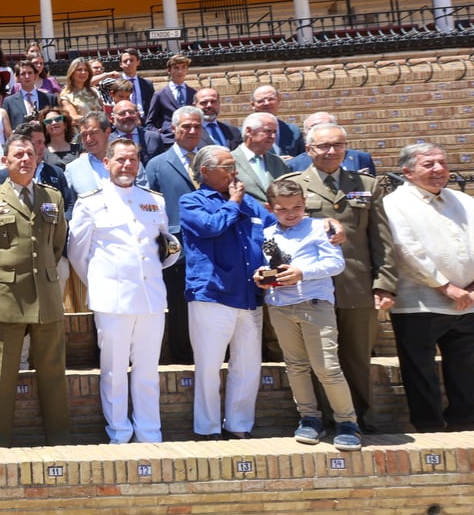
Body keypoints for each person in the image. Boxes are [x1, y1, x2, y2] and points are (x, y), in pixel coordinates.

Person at [278, 122, 395, 429]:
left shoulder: (367, 185)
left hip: (355, 286)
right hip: (311, 288)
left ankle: (359, 420)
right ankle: (322, 419)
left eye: (338, 145)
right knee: (316, 360)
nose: (331, 152)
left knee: (357, 359)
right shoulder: (292, 185)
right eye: (324, 146)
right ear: (309, 150)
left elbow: (381, 239)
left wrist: (384, 283)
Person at [68, 138, 180, 444]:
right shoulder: (90, 201)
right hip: (112, 300)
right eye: (120, 160)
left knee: (147, 371)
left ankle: (149, 433)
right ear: (106, 163)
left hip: (151, 298)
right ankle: (119, 432)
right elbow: (78, 254)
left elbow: (166, 246)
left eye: (133, 160)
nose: (127, 165)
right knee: (115, 372)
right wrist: (102, 286)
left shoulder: (153, 200)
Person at [0, 134, 71, 446]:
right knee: (3, 374)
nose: (25, 159)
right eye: (18, 155)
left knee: (53, 371)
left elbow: (57, 244)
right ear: (5, 161)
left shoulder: (51, 197)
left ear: (37, 158)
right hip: (6, 296)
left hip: (46, 294)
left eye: (30, 153)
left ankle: (59, 438)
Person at [383, 142, 474, 432]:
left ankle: (463, 424)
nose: (438, 169)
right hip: (419, 303)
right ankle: (429, 426)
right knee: (420, 370)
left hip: (468, 299)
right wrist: (445, 286)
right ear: (407, 171)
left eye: (442, 162)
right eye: (428, 164)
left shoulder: (464, 200)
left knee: (466, 368)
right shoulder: (395, 203)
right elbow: (407, 250)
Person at [257, 180, 361, 450]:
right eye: (283, 209)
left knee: (327, 367)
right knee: (296, 366)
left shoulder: (319, 228)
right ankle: (309, 418)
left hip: (315, 305)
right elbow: (266, 264)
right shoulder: (267, 233)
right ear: (270, 208)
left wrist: (303, 273)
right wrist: (260, 276)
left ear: (305, 204)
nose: (291, 213)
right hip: (279, 306)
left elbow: (336, 263)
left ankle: (347, 422)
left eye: (298, 207)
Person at [180, 145, 269, 439]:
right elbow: (210, 227)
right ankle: (207, 429)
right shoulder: (191, 201)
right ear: (205, 171)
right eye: (227, 167)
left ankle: (239, 425)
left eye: (235, 167)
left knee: (248, 366)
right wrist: (233, 203)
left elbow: (274, 231)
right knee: (209, 366)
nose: (235, 173)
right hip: (213, 293)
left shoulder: (251, 204)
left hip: (249, 294)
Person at [143, 106, 207, 364]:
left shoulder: (210, 160)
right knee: (179, 310)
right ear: (173, 129)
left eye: (197, 127)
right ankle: (183, 361)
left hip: (209, 249)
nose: (192, 131)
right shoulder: (157, 164)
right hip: (177, 252)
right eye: (186, 126)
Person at [286, 111, 377, 174]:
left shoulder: (361, 158)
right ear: (306, 132)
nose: (331, 151)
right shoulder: (294, 165)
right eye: (314, 128)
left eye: (326, 126)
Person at [233, 112, 289, 203]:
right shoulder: (230, 161)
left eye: (275, 132)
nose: (273, 136)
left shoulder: (278, 162)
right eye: (268, 131)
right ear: (249, 131)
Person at [144, 54, 195, 135]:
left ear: (187, 70)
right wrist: (158, 133)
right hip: (169, 139)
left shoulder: (193, 93)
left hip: (190, 137)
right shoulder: (160, 95)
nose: (180, 71)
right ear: (169, 70)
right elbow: (150, 123)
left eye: (183, 67)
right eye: (176, 68)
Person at [64, 111, 113, 194]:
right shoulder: (73, 169)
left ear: (107, 132)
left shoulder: (127, 161)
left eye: (93, 133)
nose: (88, 139)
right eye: (84, 135)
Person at [250, 85, 304, 158]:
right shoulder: (244, 133)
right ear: (253, 105)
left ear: (278, 101)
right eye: (261, 101)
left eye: (271, 99)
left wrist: (294, 161)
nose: (267, 103)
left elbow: (303, 159)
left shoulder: (293, 132)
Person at [4, 60, 56, 128]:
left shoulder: (50, 99)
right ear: (18, 77)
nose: (27, 76)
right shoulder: (9, 102)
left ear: (35, 76)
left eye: (30, 73)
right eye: (23, 74)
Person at [58, 57, 101, 124]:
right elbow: (73, 118)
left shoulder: (94, 92)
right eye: (79, 70)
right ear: (72, 73)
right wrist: (96, 121)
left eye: (86, 70)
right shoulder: (66, 95)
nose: (83, 72)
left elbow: (102, 112)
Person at [118, 48, 154, 116]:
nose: (128, 63)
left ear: (138, 62)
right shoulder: (115, 84)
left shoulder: (147, 84)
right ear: (121, 64)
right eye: (125, 61)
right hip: (124, 119)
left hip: (145, 121)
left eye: (131, 60)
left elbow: (152, 106)